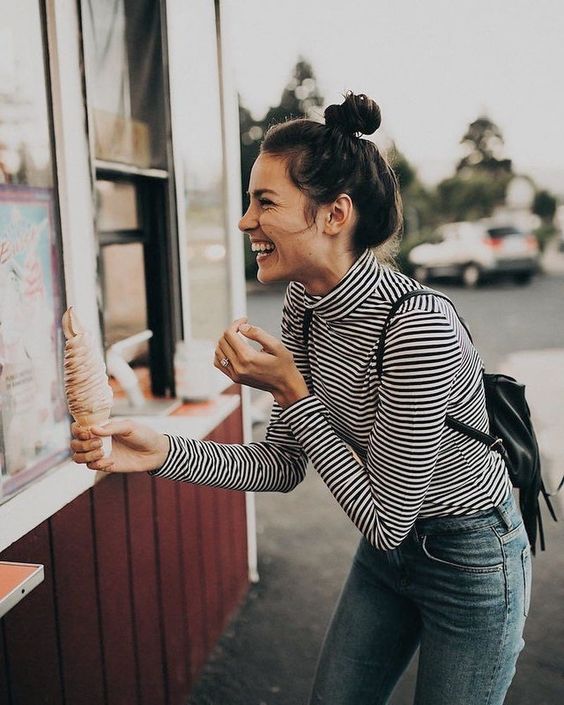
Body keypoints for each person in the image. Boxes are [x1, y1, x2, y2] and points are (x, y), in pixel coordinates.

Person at [70, 92, 531, 705]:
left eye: (265, 203)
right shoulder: (304, 308)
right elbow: (283, 466)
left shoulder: (416, 325)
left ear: (334, 214)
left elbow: (386, 519)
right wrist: (160, 450)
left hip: (470, 560)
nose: (244, 222)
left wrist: (292, 391)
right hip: (386, 563)